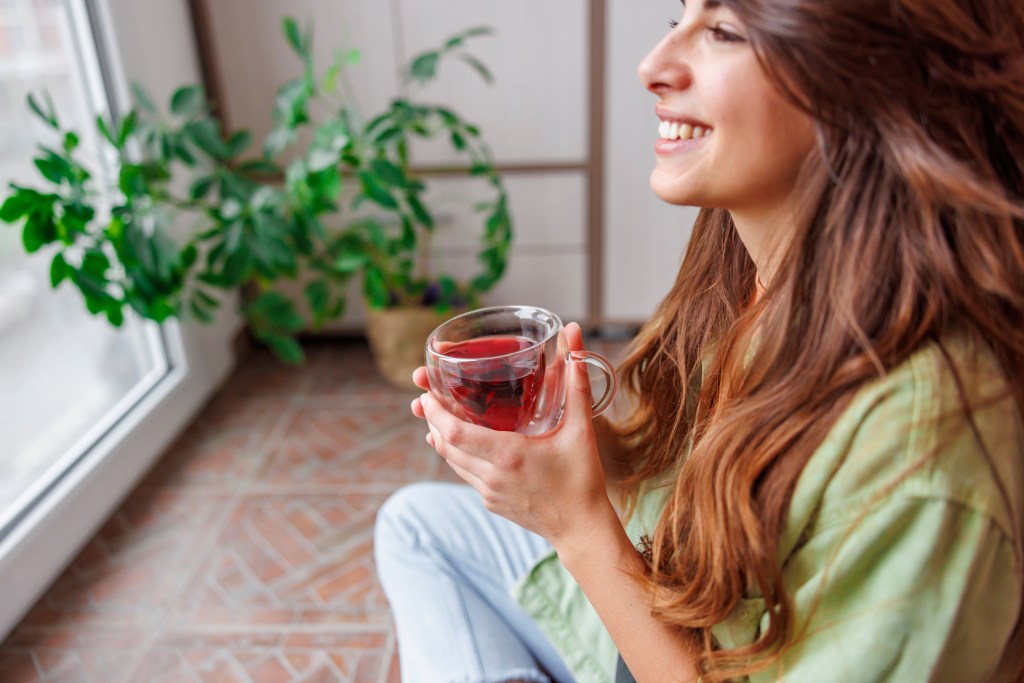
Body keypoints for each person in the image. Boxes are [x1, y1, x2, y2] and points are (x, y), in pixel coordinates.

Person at [373, 0, 1024, 680]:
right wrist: (573, 449)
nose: (653, 66)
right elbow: (686, 502)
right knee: (415, 524)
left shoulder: (928, 453)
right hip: (671, 627)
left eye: (722, 31)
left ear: (866, 77)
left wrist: (576, 525)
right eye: (676, 17)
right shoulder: (744, 268)